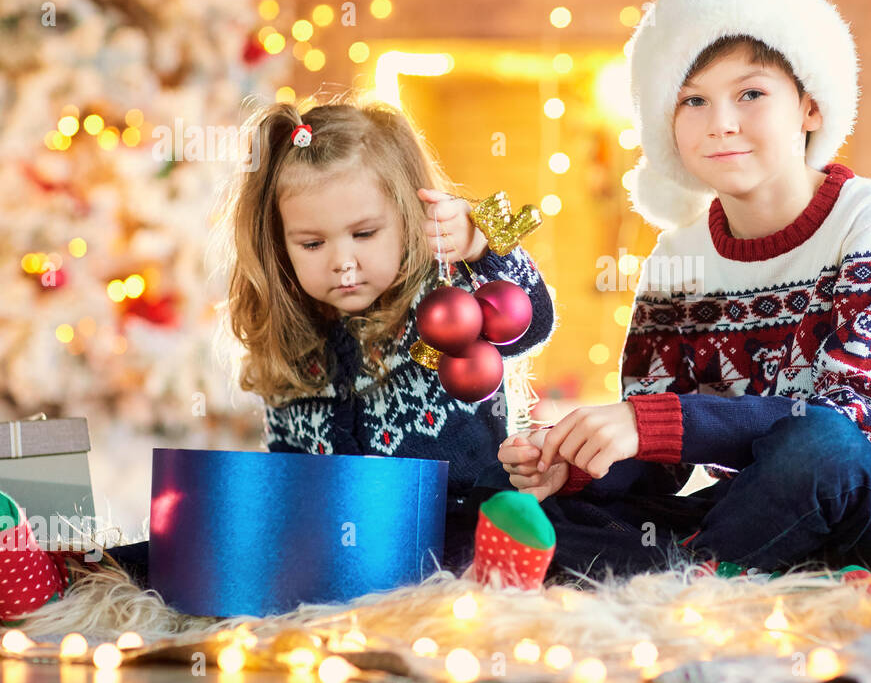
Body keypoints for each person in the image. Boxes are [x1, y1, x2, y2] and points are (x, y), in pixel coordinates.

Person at [496, 0, 871, 581]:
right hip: (758, 510)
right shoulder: (678, 256)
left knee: (818, 446)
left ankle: (681, 580)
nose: (720, 122)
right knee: (557, 510)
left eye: (750, 94)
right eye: (693, 100)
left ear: (810, 107)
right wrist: (580, 462)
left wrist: (652, 423)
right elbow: (658, 456)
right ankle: (707, 571)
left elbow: (852, 422)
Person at [0, 93, 555, 621]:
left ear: (411, 217)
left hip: (444, 519)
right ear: (281, 243)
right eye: (312, 244)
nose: (343, 262)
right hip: (323, 536)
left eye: (364, 234)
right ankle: (53, 577)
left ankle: (498, 579)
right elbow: (286, 463)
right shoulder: (292, 340)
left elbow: (530, 319)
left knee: (483, 541)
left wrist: (481, 244)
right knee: (184, 548)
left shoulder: (442, 300)